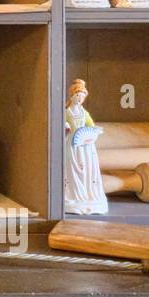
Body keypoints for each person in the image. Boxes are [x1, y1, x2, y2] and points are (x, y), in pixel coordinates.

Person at [63, 80, 107, 215]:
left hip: (85, 145)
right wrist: (65, 125)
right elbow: (62, 122)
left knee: (87, 168)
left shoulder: (84, 113)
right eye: (77, 95)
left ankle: (87, 193)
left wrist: (93, 132)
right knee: (72, 168)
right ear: (71, 96)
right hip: (72, 144)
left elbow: (91, 125)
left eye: (82, 97)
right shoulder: (67, 111)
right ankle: (73, 193)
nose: (80, 99)